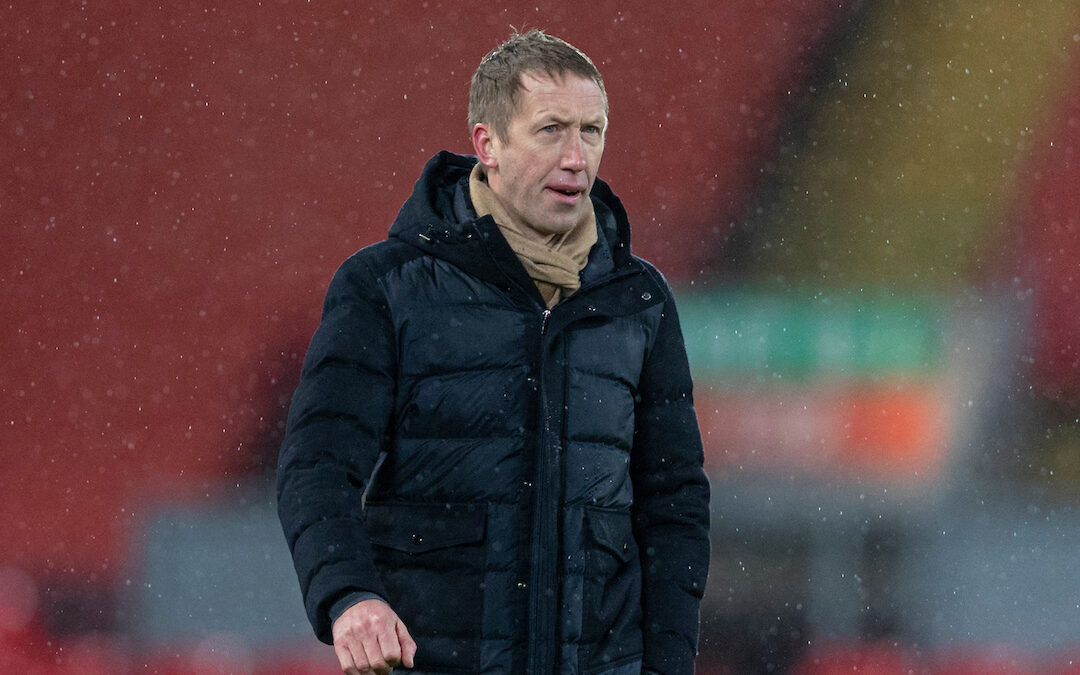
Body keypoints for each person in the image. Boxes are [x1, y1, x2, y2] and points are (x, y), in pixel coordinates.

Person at [277, 29, 710, 675]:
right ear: (489, 144)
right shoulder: (388, 287)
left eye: (591, 131)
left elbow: (674, 502)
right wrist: (349, 596)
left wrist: (669, 663)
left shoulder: (638, 300)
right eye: (551, 130)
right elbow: (316, 466)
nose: (576, 156)